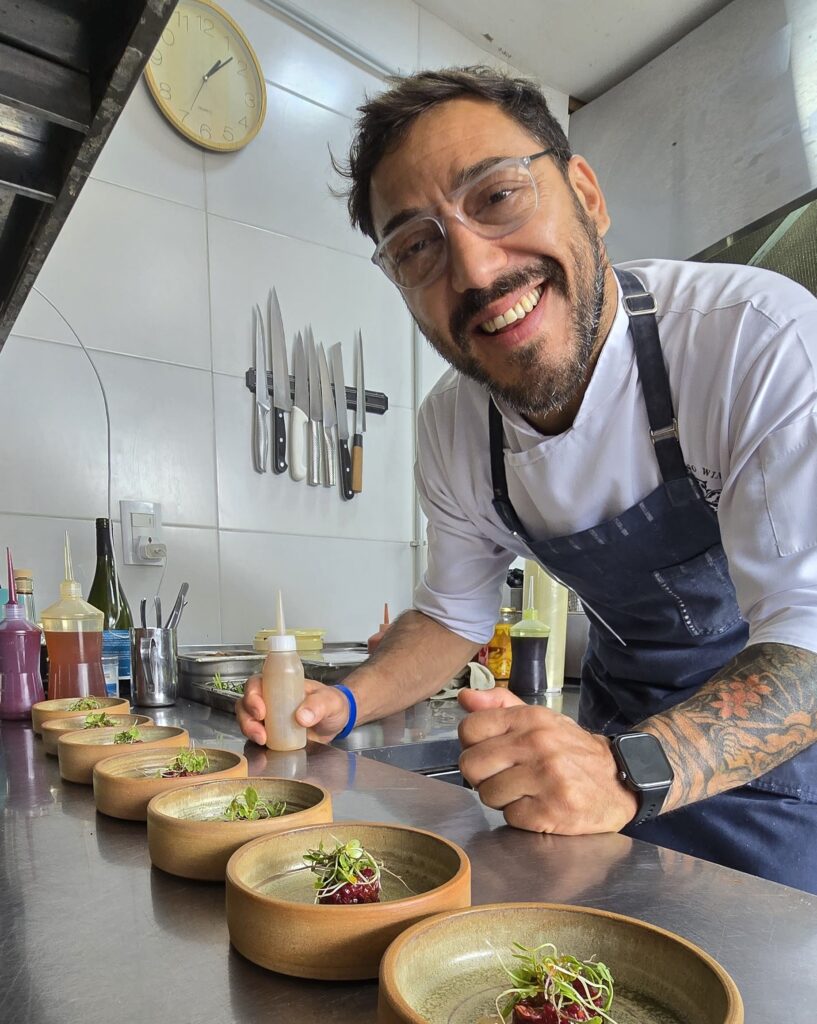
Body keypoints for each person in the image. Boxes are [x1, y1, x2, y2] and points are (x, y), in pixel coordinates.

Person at [238, 67, 817, 892]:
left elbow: (809, 631)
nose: (474, 270)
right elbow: (452, 616)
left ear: (586, 194)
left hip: (782, 779)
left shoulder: (752, 338)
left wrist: (628, 772)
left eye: (498, 197)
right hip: (599, 765)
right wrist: (345, 701)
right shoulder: (453, 426)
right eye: (416, 246)